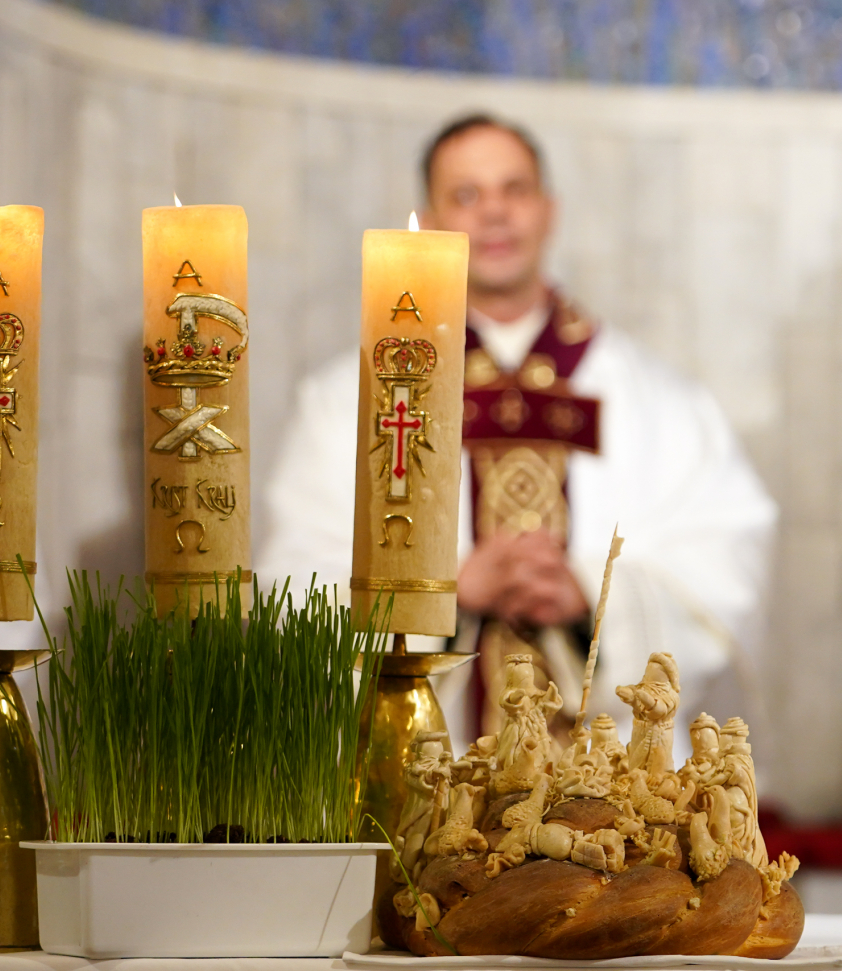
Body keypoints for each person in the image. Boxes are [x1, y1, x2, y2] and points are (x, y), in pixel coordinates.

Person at [261, 114, 777, 747]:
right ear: (431, 218)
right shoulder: (348, 401)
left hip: (612, 797)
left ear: (549, 210)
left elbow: (729, 561)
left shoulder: (660, 400)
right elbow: (289, 590)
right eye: (467, 195)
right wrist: (442, 594)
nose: (495, 214)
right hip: (425, 774)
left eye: (515, 189)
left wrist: (591, 596)